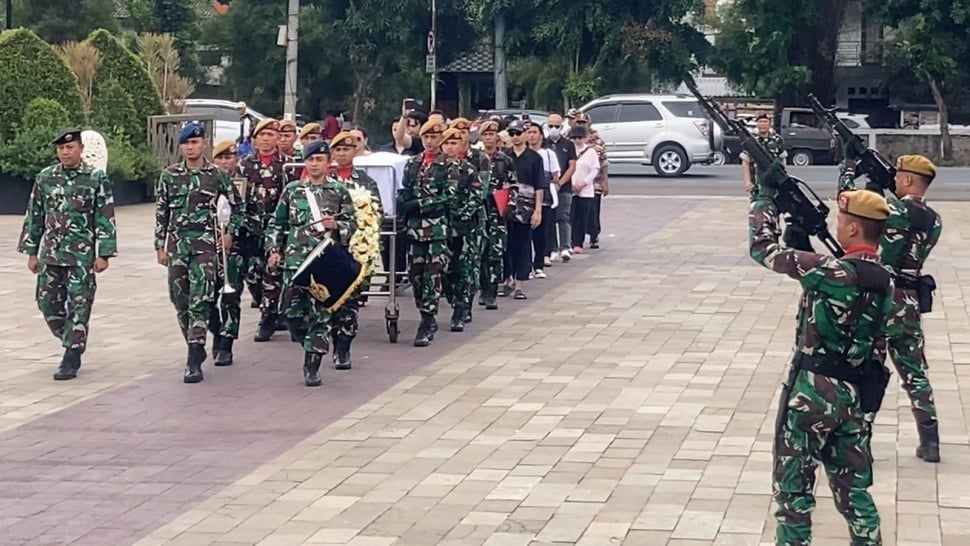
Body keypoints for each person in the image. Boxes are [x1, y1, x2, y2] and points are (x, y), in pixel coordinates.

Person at [751, 186, 894, 545]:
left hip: (812, 394)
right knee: (855, 494)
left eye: (842, 220)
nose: (837, 225)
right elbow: (841, 284)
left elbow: (763, 249)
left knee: (794, 495)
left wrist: (763, 200)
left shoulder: (832, 272)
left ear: (852, 230)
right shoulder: (885, 280)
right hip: (854, 398)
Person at [839, 153, 943, 463]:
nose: (895, 180)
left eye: (899, 177)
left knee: (869, 369)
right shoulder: (934, 220)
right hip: (910, 301)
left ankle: (860, 440)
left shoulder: (892, 209)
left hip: (881, 299)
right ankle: (930, 441)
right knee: (915, 372)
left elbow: (849, 201)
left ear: (909, 180)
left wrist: (849, 168)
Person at [18, 128, 118, 381]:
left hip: (81, 258)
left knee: (79, 305)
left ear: (80, 149)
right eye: (61, 148)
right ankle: (73, 338)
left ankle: (71, 355)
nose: (65, 152)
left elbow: (104, 216)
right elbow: (35, 215)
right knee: (47, 303)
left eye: (70, 147)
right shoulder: (46, 178)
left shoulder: (95, 178)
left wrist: (104, 253)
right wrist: (31, 251)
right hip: (51, 255)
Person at [154, 123, 242, 383]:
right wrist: (160, 245)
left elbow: (236, 207)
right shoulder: (169, 176)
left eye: (194, 142)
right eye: (186, 143)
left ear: (204, 143)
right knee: (180, 300)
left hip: (207, 249)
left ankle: (194, 356)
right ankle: (197, 341)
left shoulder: (216, 175)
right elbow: (162, 212)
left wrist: (229, 234)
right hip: (178, 248)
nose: (190, 147)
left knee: (200, 301)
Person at [266, 140, 357, 386]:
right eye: (310, 160)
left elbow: (352, 223)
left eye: (319, 160)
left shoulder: (338, 191)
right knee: (291, 313)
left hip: (323, 262)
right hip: (296, 262)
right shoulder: (294, 190)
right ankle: (306, 340)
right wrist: (274, 250)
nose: (314, 164)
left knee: (320, 315)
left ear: (328, 163)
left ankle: (313, 363)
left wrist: (337, 225)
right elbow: (277, 223)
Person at [327, 131, 384, 368]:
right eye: (338, 150)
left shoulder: (366, 182)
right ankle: (331, 340)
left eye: (347, 149)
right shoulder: (325, 180)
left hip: (354, 248)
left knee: (350, 300)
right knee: (329, 299)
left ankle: (344, 348)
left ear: (355, 152)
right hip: (328, 249)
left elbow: (374, 214)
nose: (342, 154)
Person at [396, 120, 454, 346]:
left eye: (435, 137)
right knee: (416, 276)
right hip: (414, 229)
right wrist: (403, 201)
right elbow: (406, 188)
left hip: (437, 228)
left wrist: (420, 204)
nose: (430, 142)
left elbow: (449, 197)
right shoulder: (413, 163)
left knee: (434, 274)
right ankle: (423, 312)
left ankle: (428, 320)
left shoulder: (449, 165)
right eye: (426, 137)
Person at [240, 118, 297, 340]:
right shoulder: (245, 165)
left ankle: (269, 316)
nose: (266, 139)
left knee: (273, 273)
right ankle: (267, 305)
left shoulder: (289, 165)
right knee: (252, 273)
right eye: (262, 135)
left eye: (271, 134)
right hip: (251, 228)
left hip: (278, 229)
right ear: (255, 139)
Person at [439, 127, 483, 332]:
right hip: (440, 229)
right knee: (444, 272)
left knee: (463, 270)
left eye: (454, 143)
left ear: (460, 145)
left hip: (463, 229)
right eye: (447, 143)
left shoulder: (468, 169)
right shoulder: (435, 169)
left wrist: (464, 214)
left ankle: (461, 310)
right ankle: (453, 301)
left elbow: (477, 196)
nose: (450, 147)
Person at [208, 140, 246, 366]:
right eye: (219, 158)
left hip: (238, 247)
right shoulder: (207, 179)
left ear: (236, 158)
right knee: (208, 297)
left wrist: (232, 232)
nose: (224, 162)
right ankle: (218, 332)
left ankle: (227, 344)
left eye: (228, 157)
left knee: (231, 297)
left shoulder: (244, 181)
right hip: (207, 248)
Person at [449, 117, 491, 319]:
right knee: (449, 268)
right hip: (445, 224)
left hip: (471, 220)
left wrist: (463, 214)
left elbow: (480, 192)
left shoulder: (479, 158)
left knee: (469, 264)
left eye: (463, 132)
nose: (460, 136)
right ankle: (454, 299)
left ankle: (465, 306)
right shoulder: (443, 162)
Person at [503, 120, 545, 299]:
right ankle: (507, 279)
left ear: (525, 134)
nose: (515, 137)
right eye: (511, 134)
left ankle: (520, 283)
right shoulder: (504, 156)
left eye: (518, 133)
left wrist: (538, 210)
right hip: (507, 205)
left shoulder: (535, 158)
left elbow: (539, 186)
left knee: (523, 244)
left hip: (526, 206)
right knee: (506, 244)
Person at [477, 121, 516, 309]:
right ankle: (483, 289)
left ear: (497, 137)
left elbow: (513, 185)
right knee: (480, 252)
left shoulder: (505, 160)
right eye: (485, 135)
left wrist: (509, 204)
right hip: (479, 211)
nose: (488, 138)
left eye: (491, 135)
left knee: (495, 253)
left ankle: (492, 291)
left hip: (497, 211)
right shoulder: (475, 159)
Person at [545, 113, 577, 262]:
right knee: (550, 219)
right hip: (547, 187)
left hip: (564, 188)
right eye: (551, 126)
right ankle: (552, 248)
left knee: (563, 217)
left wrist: (560, 183)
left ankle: (565, 246)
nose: (553, 129)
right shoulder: (544, 144)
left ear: (561, 127)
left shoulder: (568, 144)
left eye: (556, 126)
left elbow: (572, 166)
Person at [569, 127, 599, 252]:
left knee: (582, 217)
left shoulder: (591, 152)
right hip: (570, 189)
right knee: (570, 217)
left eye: (580, 137)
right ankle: (569, 241)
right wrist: (571, 184)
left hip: (585, 190)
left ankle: (578, 243)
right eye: (574, 137)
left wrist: (584, 183)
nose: (577, 140)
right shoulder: (569, 150)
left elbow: (595, 170)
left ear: (585, 138)